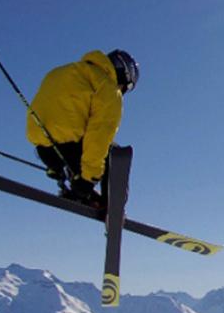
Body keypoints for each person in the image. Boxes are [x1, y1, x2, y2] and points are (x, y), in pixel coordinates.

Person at [26, 49, 139, 207]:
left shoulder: (61, 71)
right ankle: (111, 206)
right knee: (115, 154)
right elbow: (98, 136)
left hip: (45, 150)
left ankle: (78, 189)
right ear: (124, 76)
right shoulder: (108, 88)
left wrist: (56, 168)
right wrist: (89, 179)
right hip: (71, 149)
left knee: (80, 145)